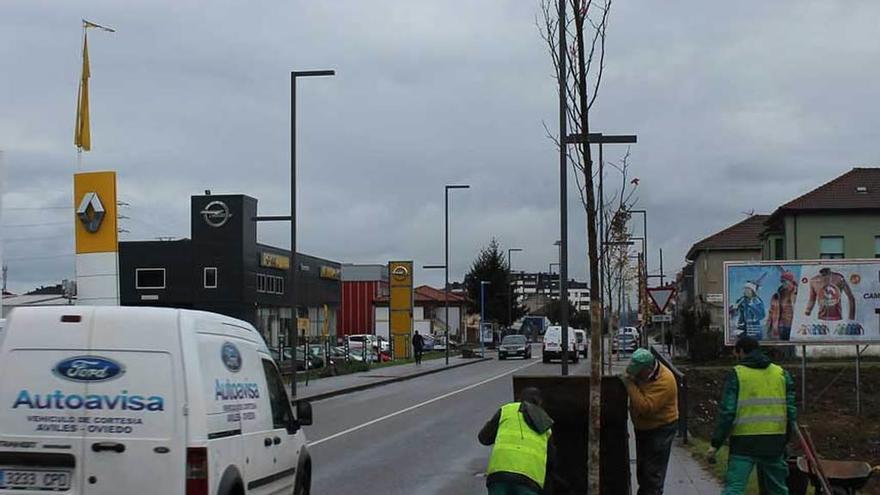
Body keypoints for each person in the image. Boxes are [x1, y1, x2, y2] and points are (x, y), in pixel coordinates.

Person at [707, 336, 797, 495]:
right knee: (777, 489)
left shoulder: (737, 374)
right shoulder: (781, 373)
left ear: (741, 351)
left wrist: (715, 444)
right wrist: (785, 439)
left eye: (736, 353)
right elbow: (790, 411)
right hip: (774, 441)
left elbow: (728, 412)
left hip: (744, 442)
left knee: (735, 488)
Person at [622, 349, 679, 495]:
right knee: (643, 470)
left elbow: (646, 407)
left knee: (653, 474)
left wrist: (629, 384)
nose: (634, 376)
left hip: (661, 428)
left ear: (648, 369)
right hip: (644, 428)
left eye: (638, 373)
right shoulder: (641, 373)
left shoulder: (665, 381)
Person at [478, 387, 555, 495]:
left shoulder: (506, 410)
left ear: (519, 399)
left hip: (499, 476)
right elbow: (551, 460)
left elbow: (483, 438)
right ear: (540, 403)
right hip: (529, 480)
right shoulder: (546, 424)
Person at [767, 271, 798, 341]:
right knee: (781, 347)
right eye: (782, 281)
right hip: (780, 326)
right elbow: (771, 312)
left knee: (791, 347)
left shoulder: (798, 293)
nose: (783, 283)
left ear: (790, 281)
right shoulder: (777, 296)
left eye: (784, 281)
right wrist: (769, 327)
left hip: (793, 326)